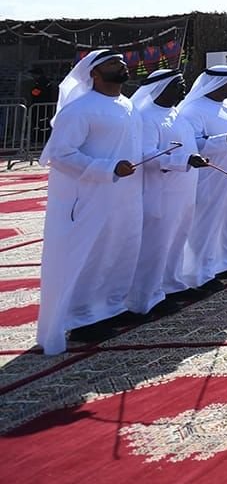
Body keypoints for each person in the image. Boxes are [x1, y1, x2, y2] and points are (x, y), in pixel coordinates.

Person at [35, 50, 144, 353]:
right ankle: (81, 318)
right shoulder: (79, 109)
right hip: (90, 197)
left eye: (121, 61)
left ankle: (108, 308)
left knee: (118, 250)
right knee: (91, 254)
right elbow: (60, 155)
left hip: (125, 196)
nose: (121, 65)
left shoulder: (128, 105)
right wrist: (107, 168)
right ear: (94, 73)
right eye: (112, 62)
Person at [126, 69, 203, 313]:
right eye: (177, 84)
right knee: (156, 246)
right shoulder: (146, 117)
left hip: (183, 189)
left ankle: (171, 284)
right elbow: (146, 156)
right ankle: (146, 297)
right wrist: (183, 160)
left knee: (177, 240)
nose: (183, 88)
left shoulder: (175, 113)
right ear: (161, 88)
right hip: (160, 192)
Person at [175, 65, 227, 286]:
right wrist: (223, 140)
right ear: (217, 84)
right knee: (205, 224)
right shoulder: (193, 110)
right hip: (211, 177)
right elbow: (192, 144)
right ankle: (198, 273)